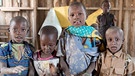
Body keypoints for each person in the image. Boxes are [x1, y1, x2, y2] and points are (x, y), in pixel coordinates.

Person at [58, 1, 102, 76]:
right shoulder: (65, 35)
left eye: (80, 14)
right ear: (69, 18)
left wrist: (87, 73)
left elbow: (95, 60)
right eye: (72, 15)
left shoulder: (93, 35)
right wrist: (67, 73)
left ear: (86, 15)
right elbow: (61, 57)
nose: (76, 17)